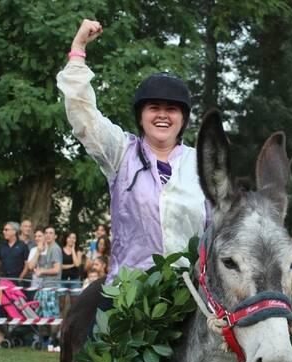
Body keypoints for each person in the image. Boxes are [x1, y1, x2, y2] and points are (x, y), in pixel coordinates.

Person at [57, 19, 208, 286]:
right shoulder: (120, 152)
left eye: (172, 109)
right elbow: (83, 114)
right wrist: (78, 48)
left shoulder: (201, 165)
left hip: (193, 295)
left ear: (183, 119)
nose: (162, 115)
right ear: (141, 116)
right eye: (154, 107)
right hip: (128, 295)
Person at [32, 227, 63, 346]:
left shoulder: (55, 249)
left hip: (52, 286)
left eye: (51, 233)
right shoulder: (48, 248)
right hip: (44, 286)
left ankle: (54, 341)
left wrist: (42, 271)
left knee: (52, 316)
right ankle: (45, 340)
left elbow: (56, 269)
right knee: (42, 315)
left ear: (55, 236)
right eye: (46, 233)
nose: (48, 235)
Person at [61, 232, 83, 310]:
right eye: (69, 237)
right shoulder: (60, 250)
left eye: (74, 238)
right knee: (61, 305)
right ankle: (61, 321)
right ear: (66, 239)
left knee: (75, 305)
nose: (71, 239)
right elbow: (59, 266)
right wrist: (71, 265)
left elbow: (77, 264)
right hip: (62, 280)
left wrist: (73, 249)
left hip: (74, 280)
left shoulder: (78, 251)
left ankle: (73, 321)